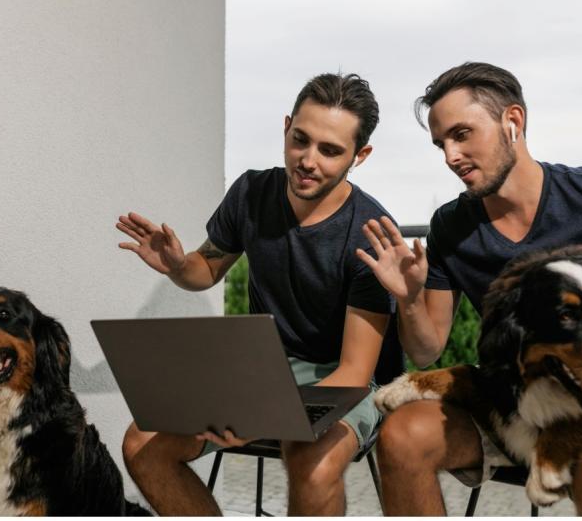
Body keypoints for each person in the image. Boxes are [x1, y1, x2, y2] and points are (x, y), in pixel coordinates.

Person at [357, 62, 582, 516]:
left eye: (462, 134)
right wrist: (408, 298)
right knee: (403, 434)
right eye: (441, 143)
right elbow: (427, 351)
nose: (450, 155)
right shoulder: (451, 226)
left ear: (513, 121)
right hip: (510, 403)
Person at [117, 73, 395, 515]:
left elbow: (355, 372)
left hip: (348, 382)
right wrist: (176, 265)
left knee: (313, 462)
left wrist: (262, 415)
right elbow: (206, 268)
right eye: (300, 139)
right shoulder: (251, 193)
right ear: (286, 127)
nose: (307, 160)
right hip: (266, 370)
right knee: (142, 443)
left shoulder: (370, 233)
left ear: (359, 156)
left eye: (329, 150)